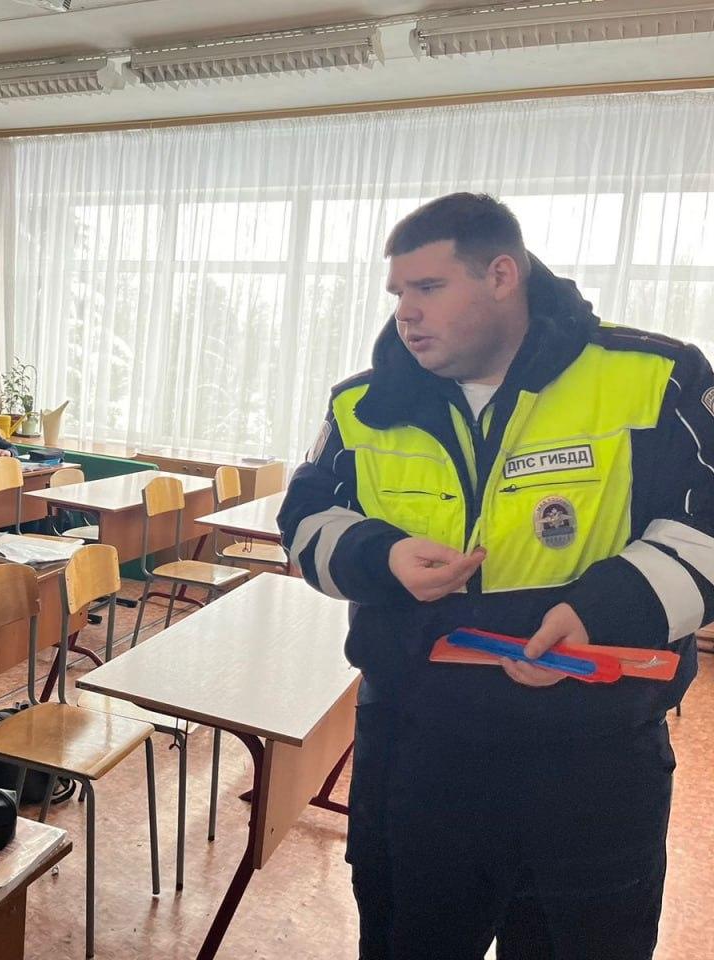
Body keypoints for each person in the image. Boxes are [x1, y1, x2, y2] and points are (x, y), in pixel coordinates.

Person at [278, 193, 709, 959]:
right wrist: (378, 556)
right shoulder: (363, 404)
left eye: (430, 287)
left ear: (503, 274)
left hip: (593, 756)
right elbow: (305, 524)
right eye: (399, 294)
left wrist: (605, 610)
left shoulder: (656, 376)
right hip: (418, 749)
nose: (407, 313)